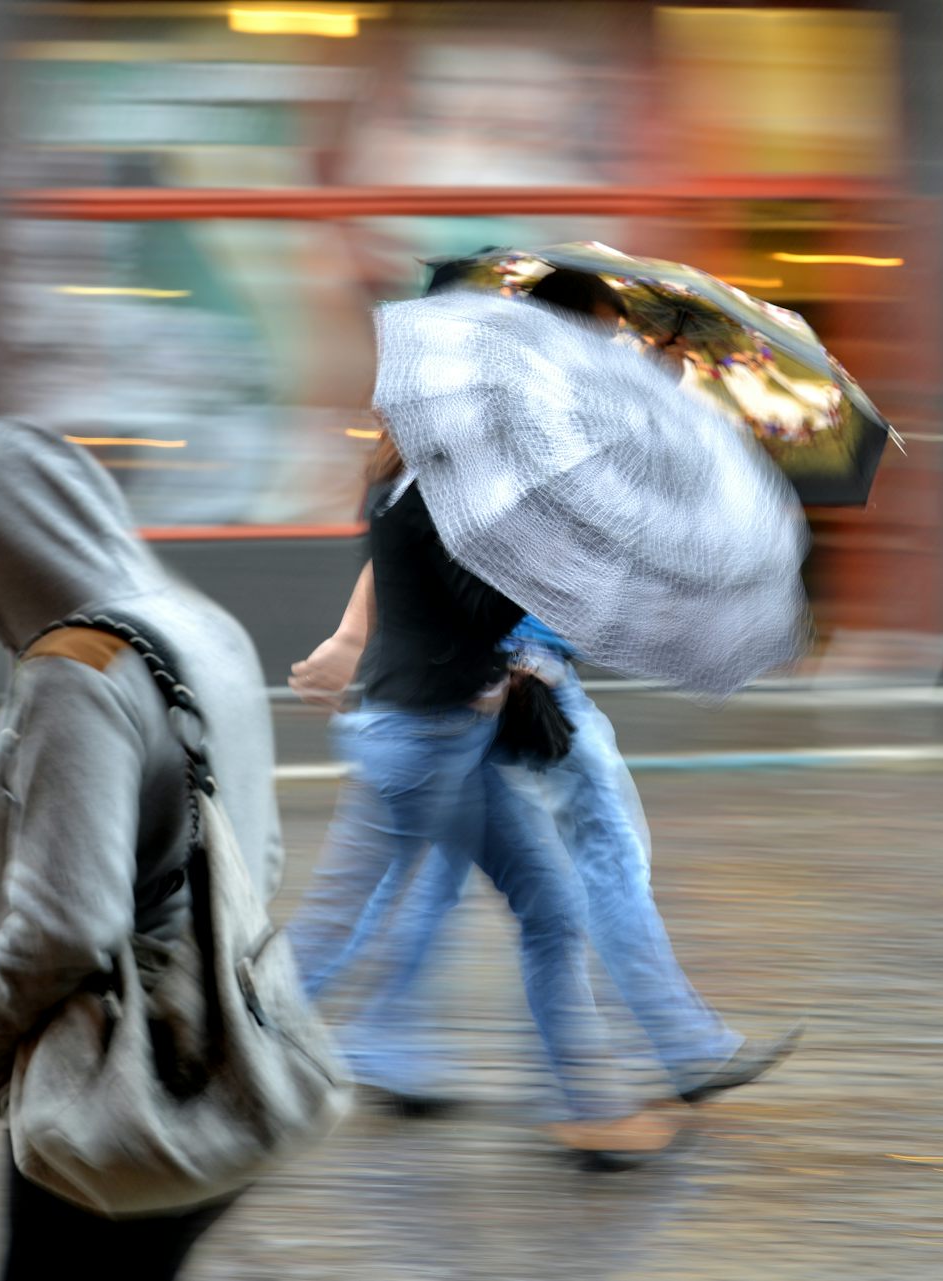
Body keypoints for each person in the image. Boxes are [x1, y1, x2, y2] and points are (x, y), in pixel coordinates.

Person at [289, 268, 798, 1111]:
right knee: (589, 862)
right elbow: (473, 555)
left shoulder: (475, 435)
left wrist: (362, 642)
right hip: (498, 690)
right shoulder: (526, 432)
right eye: (613, 331)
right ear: (577, 336)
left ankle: (399, 1041)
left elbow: (432, 545)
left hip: (457, 701)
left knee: (460, 882)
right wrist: (507, 657)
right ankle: (644, 1066)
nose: (623, 346)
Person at [0, 419, 287, 1280]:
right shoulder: (197, 625)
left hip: (113, 1085)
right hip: (227, 1064)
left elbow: (67, 926)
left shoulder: (79, 671)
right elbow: (264, 851)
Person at [287, 426, 678, 1161]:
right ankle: (203, 1062)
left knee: (550, 907)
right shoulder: (443, 494)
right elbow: (481, 606)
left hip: (442, 740)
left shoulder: (415, 480)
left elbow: (452, 607)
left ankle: (589, 1108)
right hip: (423, 746)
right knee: (332, 928)